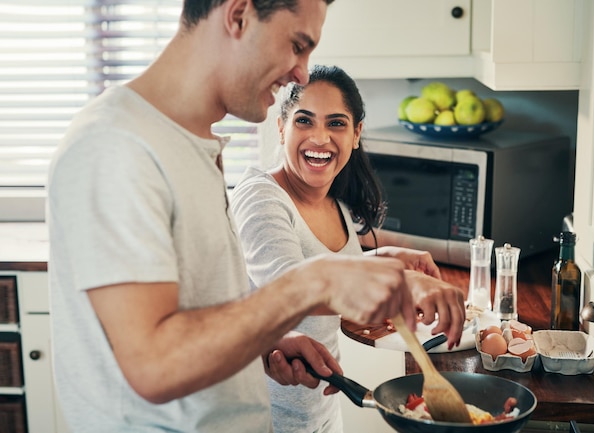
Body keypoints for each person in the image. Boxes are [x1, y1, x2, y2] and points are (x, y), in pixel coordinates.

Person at [46, 2, 423, 432]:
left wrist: (264, 344)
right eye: (297, 45)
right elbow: (153, 365)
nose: (301, 74)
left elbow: (192, 314)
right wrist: (315, 280)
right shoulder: (116, 146)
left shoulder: (194, 146)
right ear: (239, 15)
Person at [230, 64, 467, 433]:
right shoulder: (260, 196)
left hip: (321, 411)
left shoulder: (335, 202)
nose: (320, 138)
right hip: (264, 419)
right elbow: (290, 285)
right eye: (304, 121)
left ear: (356, 134)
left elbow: (330, 267)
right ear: (281, 128)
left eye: (336, 124)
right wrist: (400, 283)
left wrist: (385, 259)